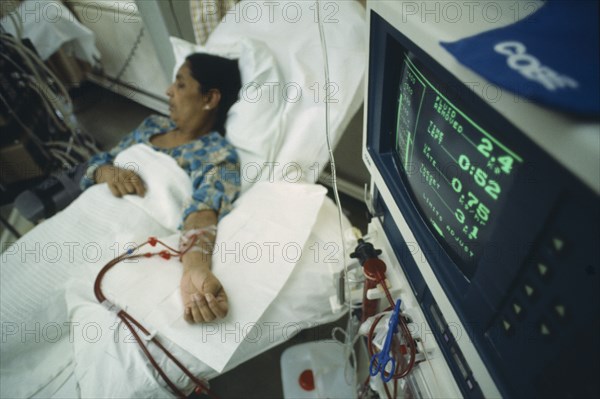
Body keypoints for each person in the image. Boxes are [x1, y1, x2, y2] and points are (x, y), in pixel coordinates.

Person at [80, 53, 242, 324]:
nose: (168, 91)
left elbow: (202, 212)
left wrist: (195, 267)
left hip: (111, 241)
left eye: (180, 85)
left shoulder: (219, 155)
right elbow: (97, 163)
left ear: (210, 99)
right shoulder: (152, 126)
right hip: (82, 213)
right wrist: (106, 172)